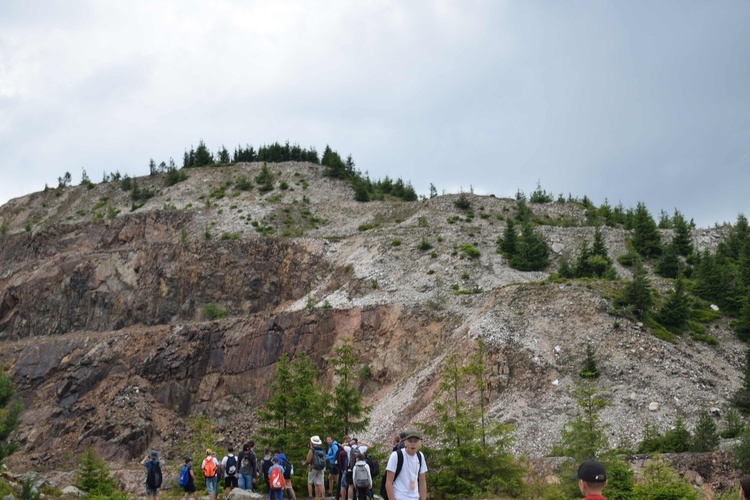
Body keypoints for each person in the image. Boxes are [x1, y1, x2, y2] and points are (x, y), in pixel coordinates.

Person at [385, 430, 427, 500]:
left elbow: (422, 481)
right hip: (399, 497)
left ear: (420, 443)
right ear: (405, 443)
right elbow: (388, 482)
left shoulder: (420, 456)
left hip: (415, 497)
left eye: (415, 441)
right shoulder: (396, 456)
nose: (413, 444)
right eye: (410, 441)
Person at [337, 436, 351, 500]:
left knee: (342, 485)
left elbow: (339, 461)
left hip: (344, 470)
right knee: (350, 486)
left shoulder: (342, 451)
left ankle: (342, 497)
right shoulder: (353, 450)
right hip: (350, 470)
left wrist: (342, 470)